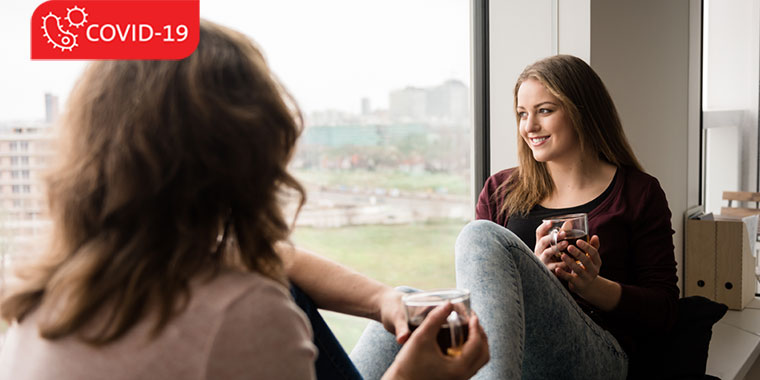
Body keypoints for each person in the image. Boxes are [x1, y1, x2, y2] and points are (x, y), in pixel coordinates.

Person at [0, 20, 489, 380]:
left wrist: (384, 299)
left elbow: (262, 255)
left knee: (399, 300)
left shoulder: (44, 300)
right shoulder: (237, 312)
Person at [454, 54, 679, 379]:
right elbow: (480, 301)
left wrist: (591, 286)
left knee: (478, 235)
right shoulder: (498, 190)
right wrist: (533, 274)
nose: (529, 127)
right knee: (401, 307)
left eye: (544, 111)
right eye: (522, 113)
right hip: (513, 349)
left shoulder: (638, 193)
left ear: (582, 111)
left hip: (600, 354)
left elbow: (665, 311)